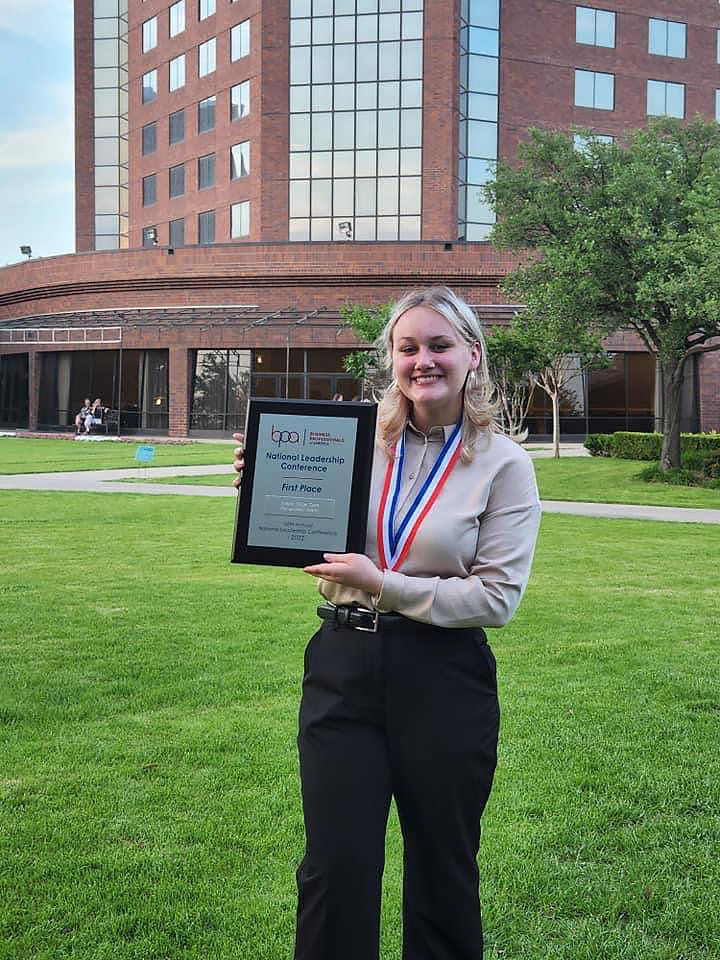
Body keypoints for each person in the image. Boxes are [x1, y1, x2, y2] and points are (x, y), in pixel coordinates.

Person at [232, 287, 541, 960]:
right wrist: (269, 488)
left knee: (442, 871)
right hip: (344, 668)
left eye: (438, 345)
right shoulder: (349, 442)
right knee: (334, 869)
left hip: (445, 677)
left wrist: (387, 586)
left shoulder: (504, 465)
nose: (422, 360)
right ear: (391, 359)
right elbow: (312, 539)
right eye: (408, 348)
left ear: (472, 356)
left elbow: (497, 598)